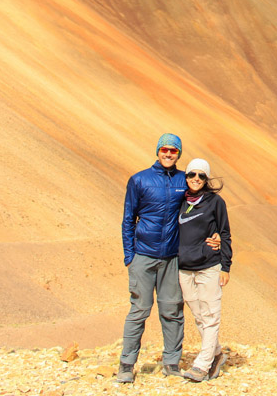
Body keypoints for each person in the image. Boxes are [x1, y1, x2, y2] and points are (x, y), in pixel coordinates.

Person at [117, 133, 188, 383]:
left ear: (179, 153)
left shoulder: (184, 180)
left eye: (173, 151)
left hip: (171, 257)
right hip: (143, 256)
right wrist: (130, 256)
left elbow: (202, 209)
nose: (168, 154)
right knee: (139, 310)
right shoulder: (140, 180)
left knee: (172, 310)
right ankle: (126, 364)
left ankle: (171, 362)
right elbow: (128, 218)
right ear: (158, 151)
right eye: (165, 150)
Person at [177, 158, 232, 382]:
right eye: (192, 175)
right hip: (183, 267)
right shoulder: (178, 201)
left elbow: (225, 233)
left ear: (206, 179)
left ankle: (202, 364)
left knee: (210, 314)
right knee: (198, 314)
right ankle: (217, 354)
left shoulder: (215, 202)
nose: (196, 179)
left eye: (201, 176)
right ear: (186, 176)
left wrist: (226, 266)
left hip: (209, 266)